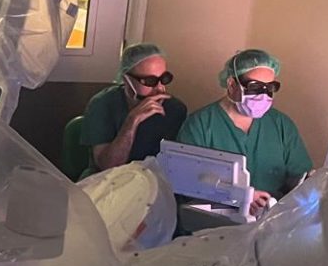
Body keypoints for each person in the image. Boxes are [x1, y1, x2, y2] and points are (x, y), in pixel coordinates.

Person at [179, 48, 313, 214]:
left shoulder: (281, 124)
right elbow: (186, 181)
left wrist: (310, 181)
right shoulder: (200, 124)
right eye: (254, 87)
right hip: (217, 221)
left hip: (271, 218)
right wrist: (237, 196)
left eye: (269, 87)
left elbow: (299, 176)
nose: (263, 95)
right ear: (232, 85)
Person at [64, 43, 187, 179]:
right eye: (150, 81)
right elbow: (109, 167)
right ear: (126, 80)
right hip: (106, 179)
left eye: (164, 78)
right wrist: (132, 121)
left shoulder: (175, 110)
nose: (159, 88)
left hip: (151, 180)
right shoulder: (102, 105)